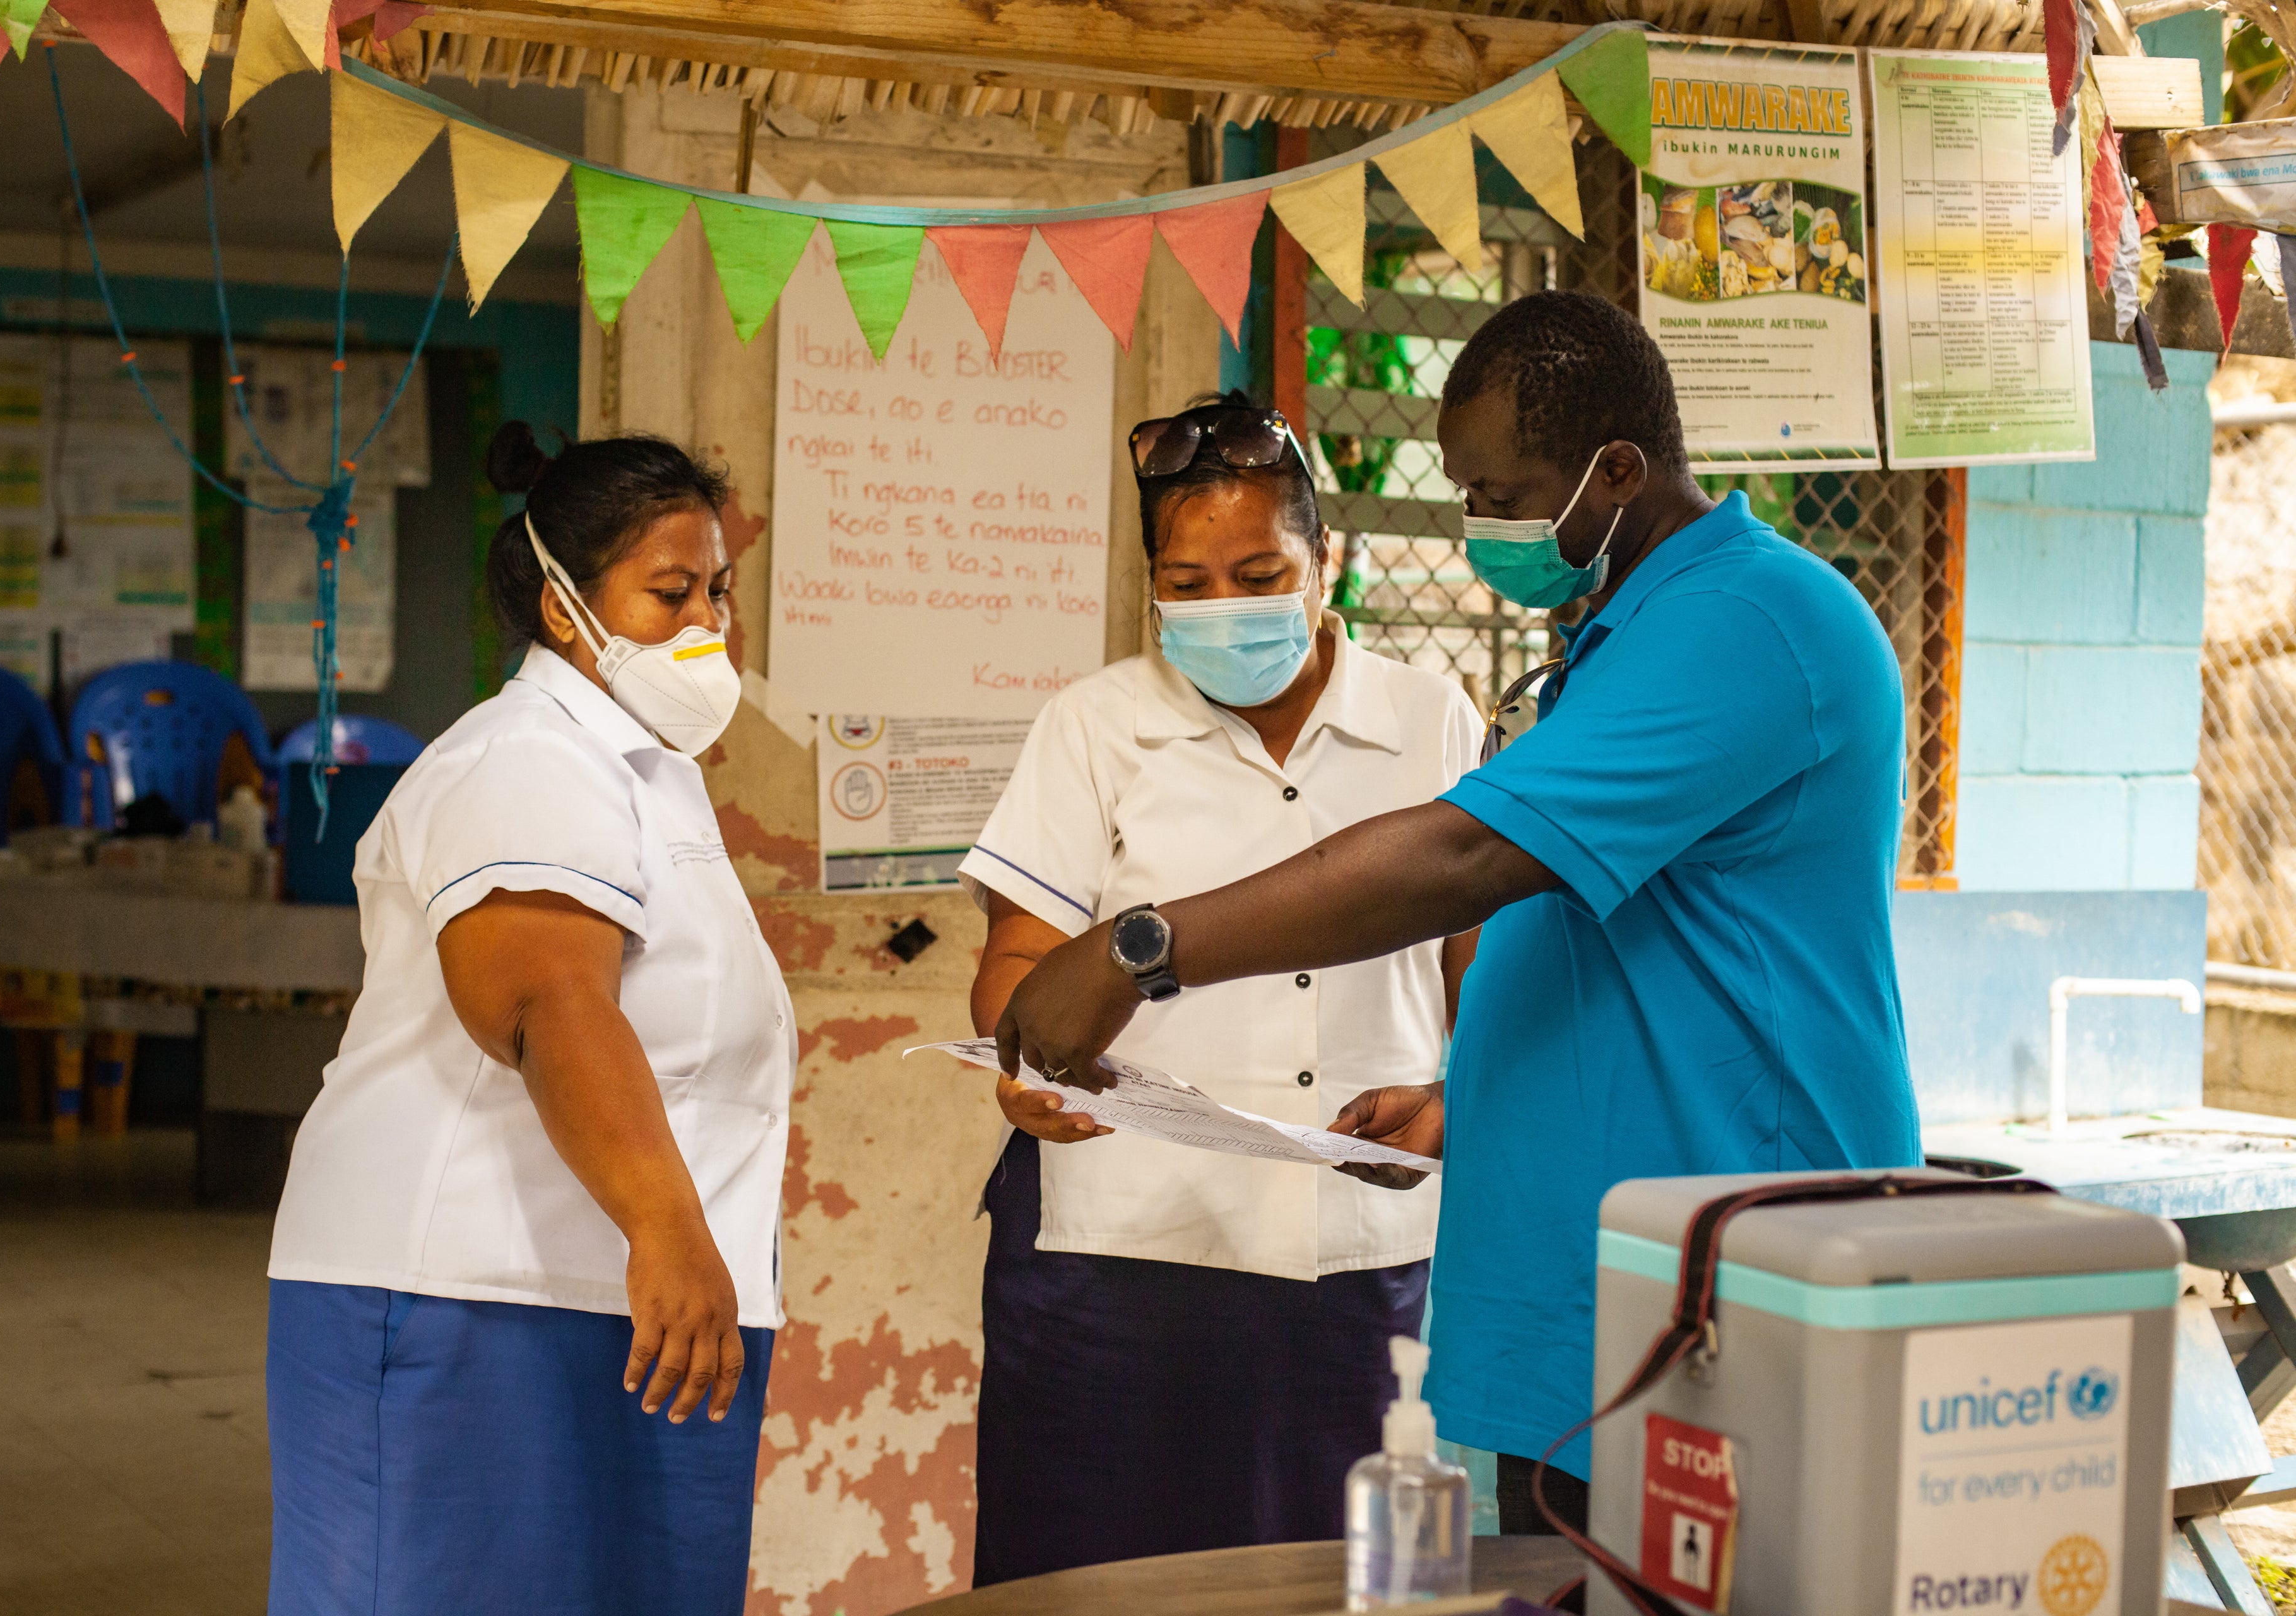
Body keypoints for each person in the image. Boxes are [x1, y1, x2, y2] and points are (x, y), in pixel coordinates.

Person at [990, 292, 1920, 1541]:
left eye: (1502, 492)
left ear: (1621, 469)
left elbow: (1467, 855)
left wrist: (1140, 944)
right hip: (1603, 1309)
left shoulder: (1747, 622)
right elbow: (1611, 951)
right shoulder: (1626, 634)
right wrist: (1458, 1101)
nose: (1479, 525)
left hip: (1720, 1295)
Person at [263, 424, 793, 1615]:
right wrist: (668, 1229)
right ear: (565, 610)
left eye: (717, 591)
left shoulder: (644, 771)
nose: (708, 624)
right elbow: (548, 1003)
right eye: (670, 594)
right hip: (472, 1296)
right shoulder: (524, 758)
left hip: (606, 1299)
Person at [959, 395, 1486, 1583]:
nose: (1222, 609)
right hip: (1118, 1257)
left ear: (1325, 561)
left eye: (1259, 572)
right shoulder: (1097, 726)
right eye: (1185, 582)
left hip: (1357, 1250)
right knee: (1094, 1583)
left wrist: (1468, 1087)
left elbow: (1481, 967)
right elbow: (1011, 972)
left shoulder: (1428, 719)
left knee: (1328, 1585)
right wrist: (1025, 1067)